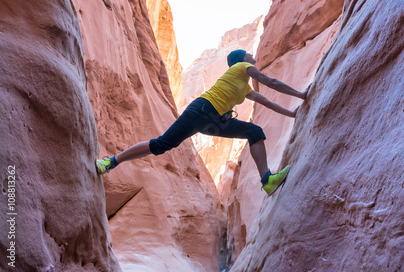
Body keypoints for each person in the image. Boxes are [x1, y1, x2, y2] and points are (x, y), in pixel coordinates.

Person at [96, 49, 308, 195]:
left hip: (210, 122)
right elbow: (270, 82)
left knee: (254, 132)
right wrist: (302, 94)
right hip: (202, 110)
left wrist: (292, 114)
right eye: (248, 53)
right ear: (242, 58)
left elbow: (267, 101)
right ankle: (111, 162)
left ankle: (268, 181)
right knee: (161, 144)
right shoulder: (242, 67)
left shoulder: (245, 88)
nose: (252, 55)